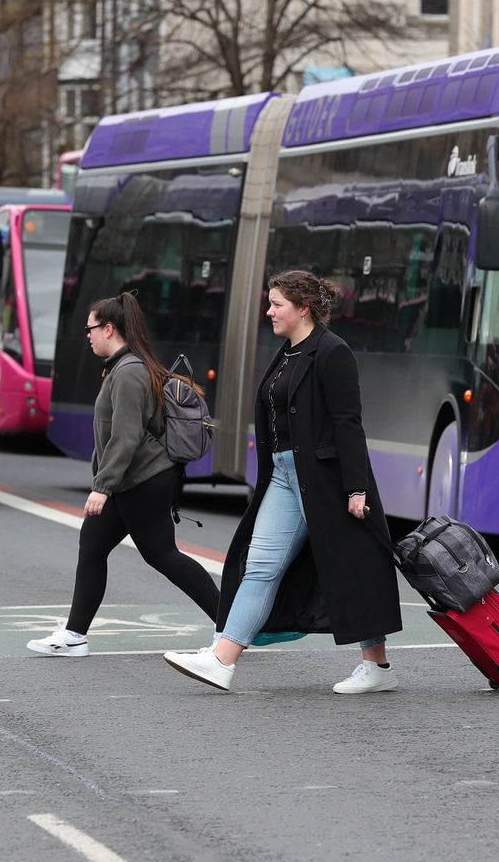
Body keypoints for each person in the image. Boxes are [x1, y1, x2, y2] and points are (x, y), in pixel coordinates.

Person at [163, 270, 402, 693]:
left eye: (277, 304)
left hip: (328, 481)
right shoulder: (287, 353)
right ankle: (223, 659)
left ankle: (377, 667)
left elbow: (349, 424)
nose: (269, 311)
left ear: (303, 309)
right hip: (285, 477)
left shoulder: (333, 353)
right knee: (260, 565)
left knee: (354, 569)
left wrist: (356, 488)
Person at [27, 291, 220, 657]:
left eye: (90, 328)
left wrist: (102, 486)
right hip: (135, 480)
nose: (87, 335)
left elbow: (126, 436)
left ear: (109, 328)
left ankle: (231, 626)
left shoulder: (129, 372)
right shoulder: (123, 367)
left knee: (162, 555)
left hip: (143, 479)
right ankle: (74, 634)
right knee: (94, 546)